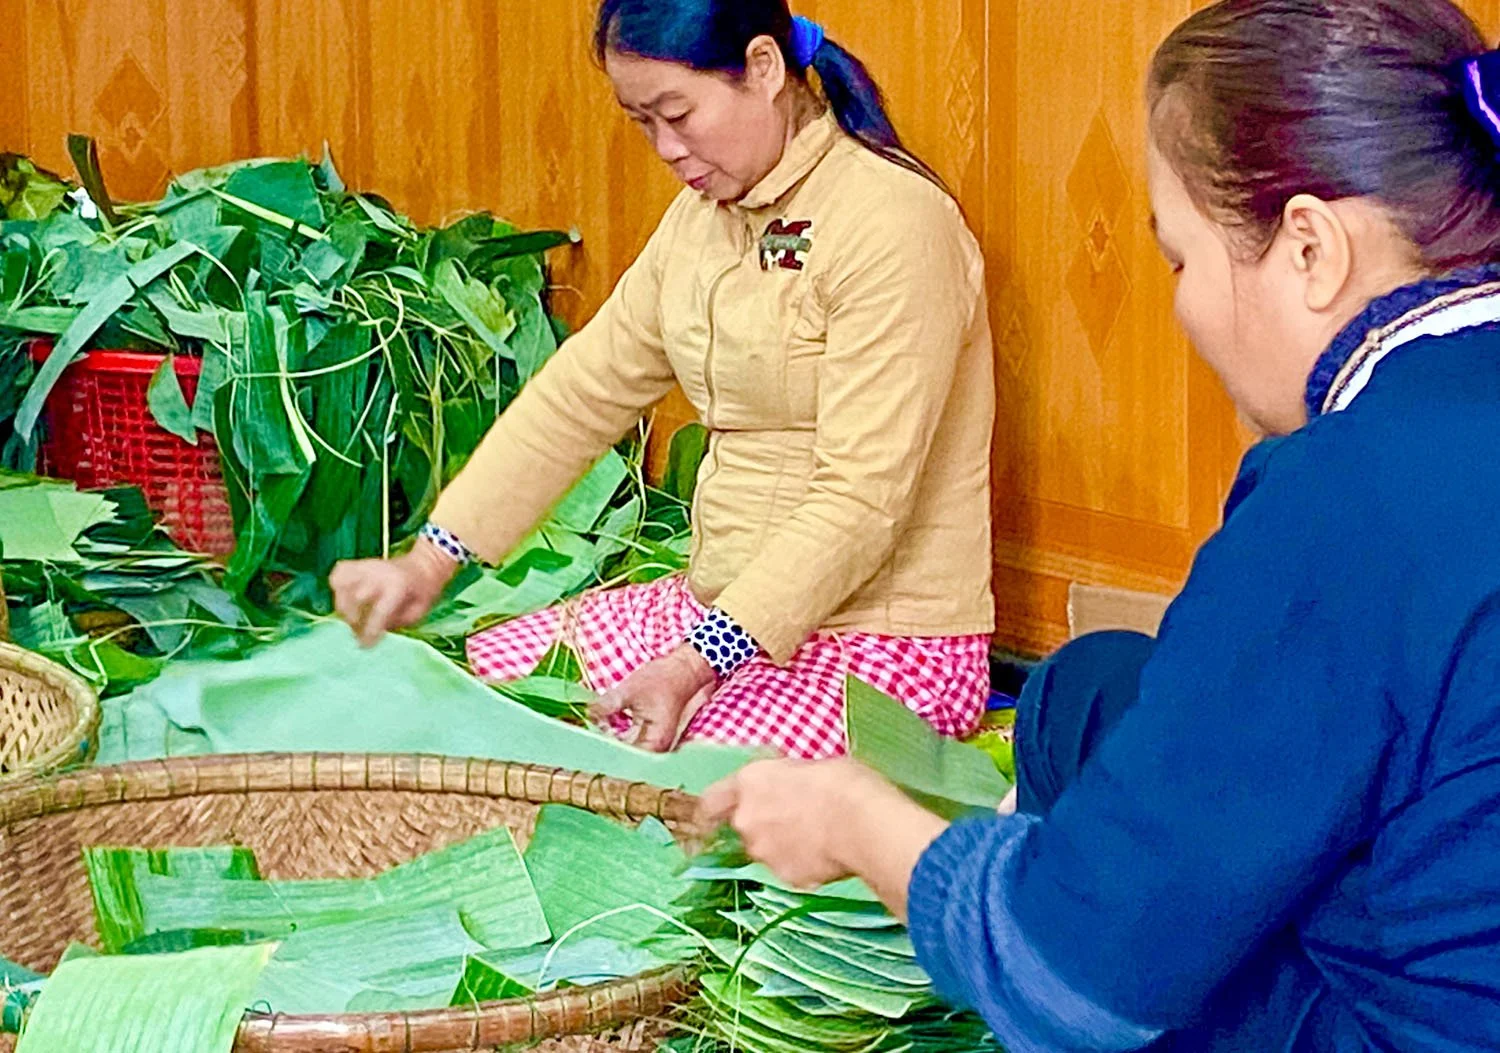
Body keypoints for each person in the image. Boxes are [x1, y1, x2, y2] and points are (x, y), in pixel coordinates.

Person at [701, 1, 1500, 1048]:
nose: (1184, 308)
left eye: (1181, 260)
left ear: (1309, 248)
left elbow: (1071, 974)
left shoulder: (1339, 496)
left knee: (1097, 953)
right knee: (1085, 688)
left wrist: (858, 820)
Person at [328, 0, 996, 759]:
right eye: (643, 122)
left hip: (879, 645)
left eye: (677, 113)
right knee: (485, 701)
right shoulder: (701, 219)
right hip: (711, 617)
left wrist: (693, 663)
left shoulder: (894, 224)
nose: (666, 147)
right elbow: (582, 393)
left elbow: (861, 500)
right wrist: (431, 560)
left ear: (765, 69)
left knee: (657, 785)